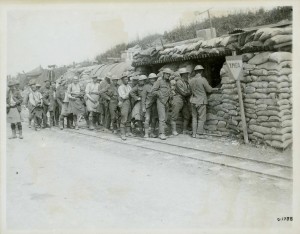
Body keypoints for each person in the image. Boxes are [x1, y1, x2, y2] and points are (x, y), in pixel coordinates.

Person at [189, 65, 218, 138]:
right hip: (201, 101)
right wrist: (213, 89)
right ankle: (199, 133)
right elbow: (209, 90)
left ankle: (194, 134)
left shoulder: (191, 80)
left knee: (194, 118)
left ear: (195, 71)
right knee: (201, 118)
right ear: (201, 71)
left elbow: (190, 90)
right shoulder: (203, 79)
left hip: (193, 101)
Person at [150, 68, 172, 140]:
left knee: (165, 118)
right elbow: (152, 91)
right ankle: (161, 134)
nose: (168, 75)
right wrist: (159, 94)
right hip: (160, 102)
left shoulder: (169, 82)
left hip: (167, 102)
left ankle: (162, 131)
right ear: (163, 74)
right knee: (162, 118)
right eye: (167, 74)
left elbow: (169, 90)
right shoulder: (159, 81)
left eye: (169, 74)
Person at [170, 68, 191, 136]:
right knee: (174, 116)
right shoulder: (179, 82)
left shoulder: (186, 82)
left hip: (184, 100)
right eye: (186, 74)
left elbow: (187, 91)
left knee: (187, 115)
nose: (187, 75)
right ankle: (174, 131)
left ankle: (184, 130)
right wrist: (190, 92)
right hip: (178, 99)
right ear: (182, 74)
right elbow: (184, 93)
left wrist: (188, 92)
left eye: (187, 73)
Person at [142, 73, 159, 138]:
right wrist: (143, 107)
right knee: (147, 119)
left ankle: (152, 133)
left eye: (154, 79)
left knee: (154, 119)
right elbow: (143, 98)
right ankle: (146, 133)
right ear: (149, 80)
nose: (153, 80)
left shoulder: (157, 86)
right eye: (151, 79)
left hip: (155, 105)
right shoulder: (146, 87)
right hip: (148, 105)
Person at [118, 72, 132, 140]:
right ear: (122, 80)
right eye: (125, 79)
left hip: (129, 102)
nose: (127, 80)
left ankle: (128, 132)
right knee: (124, 118)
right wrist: (130, 93)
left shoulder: (129, 86)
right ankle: (122, 134)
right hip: (124, 103)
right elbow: (124, 96)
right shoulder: (121, 87)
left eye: (127, 79)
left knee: (129, 117)